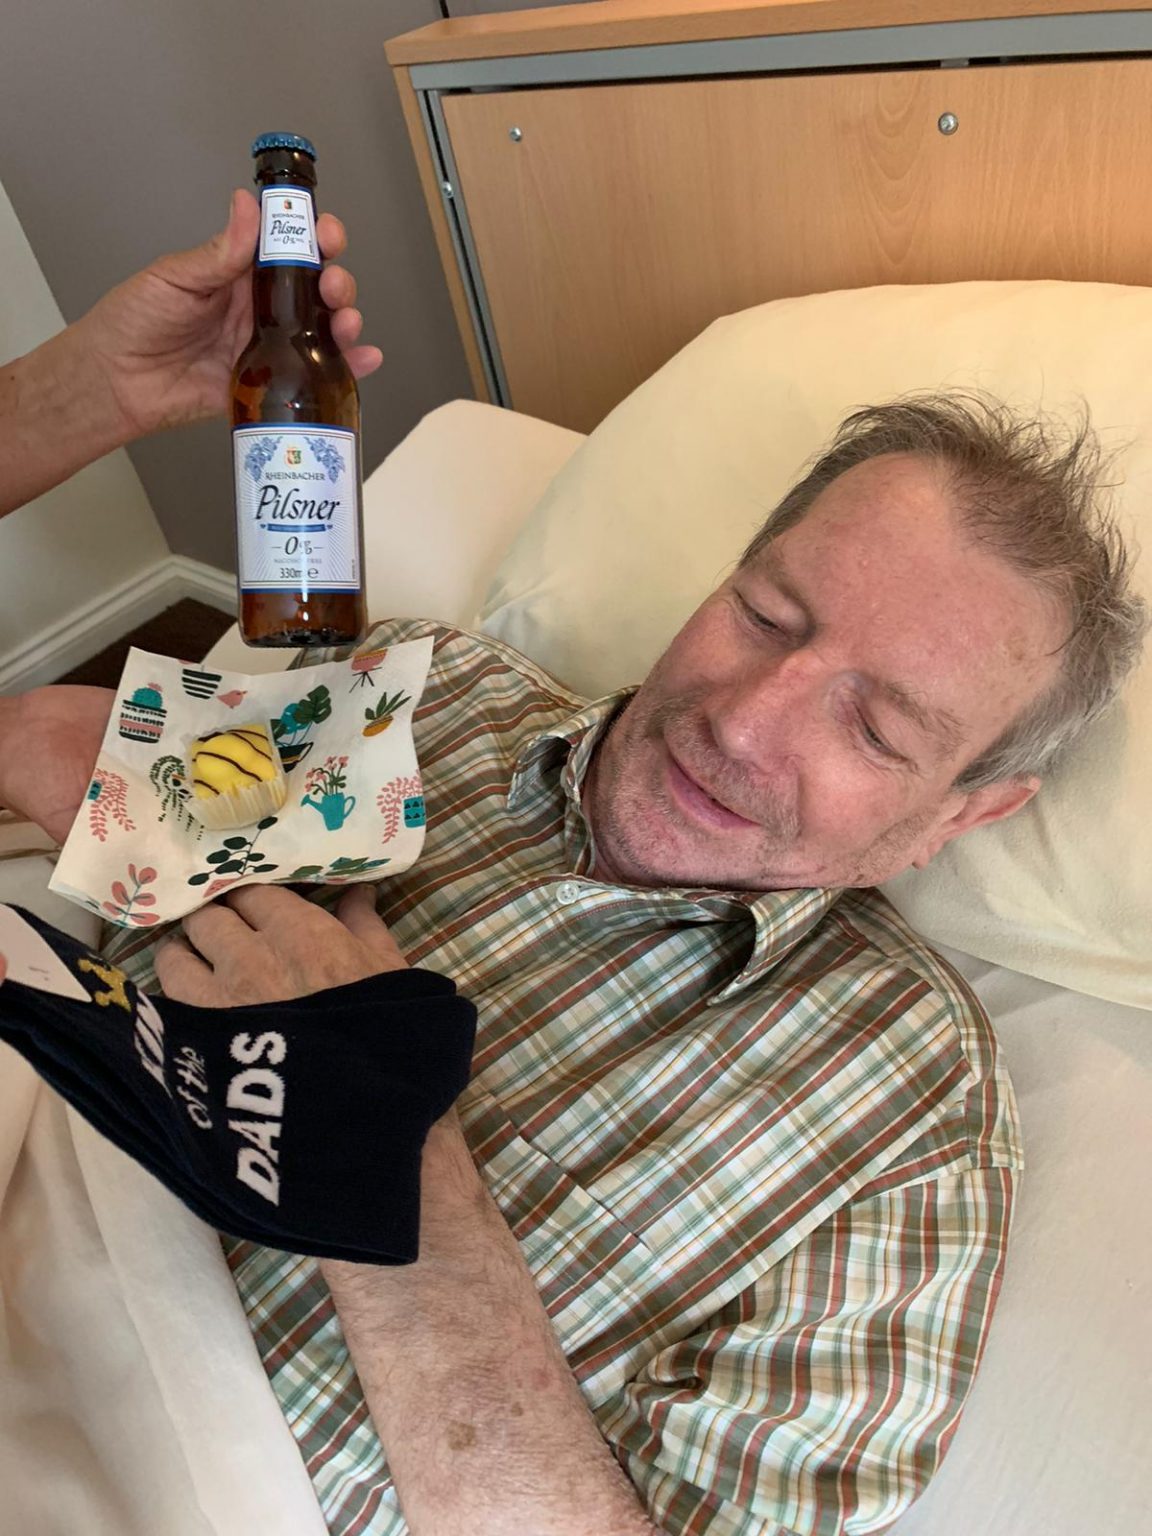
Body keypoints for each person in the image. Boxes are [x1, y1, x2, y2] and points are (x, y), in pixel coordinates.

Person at [0, 217, 1146, 1535]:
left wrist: (386, 1163)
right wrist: (49, 736)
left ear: (966, 812)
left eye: (878, 729)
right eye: (764, 615)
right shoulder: (436, 692)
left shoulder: (909, 1116)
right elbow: (91, 800)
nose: (744, 723)